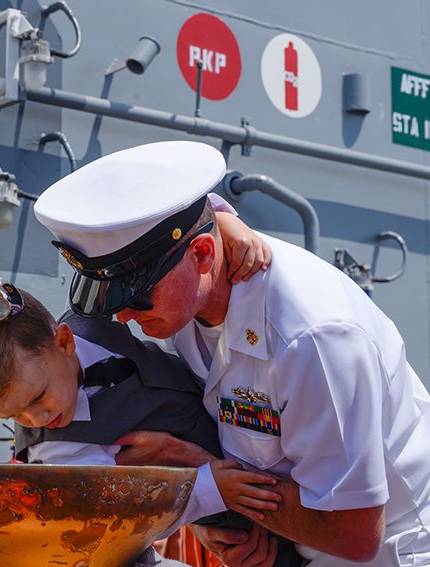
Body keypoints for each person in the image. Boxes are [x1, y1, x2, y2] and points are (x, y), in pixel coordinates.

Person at [32, 140, 430, 567]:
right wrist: (210, 514)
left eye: (137, 295)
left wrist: (207, 478)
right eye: (110, 299)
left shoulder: (312, 340)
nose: (125, 316)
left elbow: (354, 533)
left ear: (203, 254)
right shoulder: (181, 304)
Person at [0, 287, 303, 567]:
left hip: (271, 436)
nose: (35, 420)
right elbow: (121, 512)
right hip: (234, 505)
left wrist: (226, 222)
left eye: (38, 397)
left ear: (64, 341)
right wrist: (211, 489)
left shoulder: (90, 315)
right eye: (14, 417)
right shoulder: (58, 452)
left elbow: (119, 248)